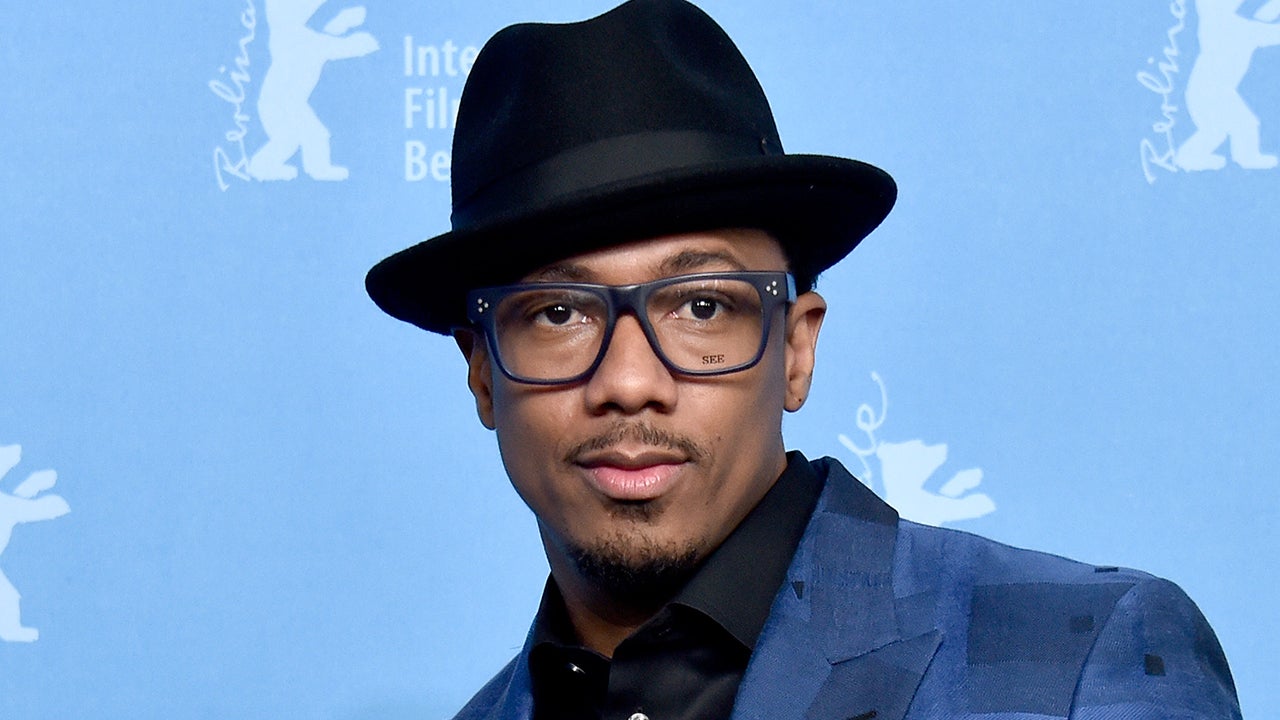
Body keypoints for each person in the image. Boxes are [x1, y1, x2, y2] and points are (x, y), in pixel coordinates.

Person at [366, 1, 1243, 718]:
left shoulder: (1079, 660)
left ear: (796, 348)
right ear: (481, 372)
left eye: (701, 306)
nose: (629, 382)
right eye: (558, 313)